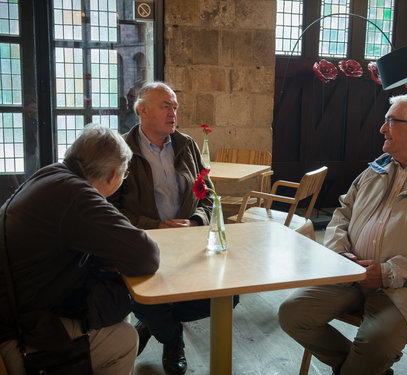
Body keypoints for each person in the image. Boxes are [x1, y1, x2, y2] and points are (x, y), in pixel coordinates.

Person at [278, 94, 407, 375]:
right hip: (351, 275)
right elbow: (343, 212)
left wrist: (388, 272)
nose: (382, 128)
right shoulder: (376, 169)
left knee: (376, 343)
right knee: (292, 313)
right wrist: (339, 254)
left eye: (390, 121)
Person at [0, 124, 160, 375]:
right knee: (124, 338)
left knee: (113, 309)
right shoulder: (76, 195)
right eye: (124, 175)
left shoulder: (52, 174)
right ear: (113, 175)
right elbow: (145, 255)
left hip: (19, 306)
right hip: (17, 333)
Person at [109, 81, 237, 375]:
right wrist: (155, 226)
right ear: (143, 110)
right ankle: (172, 339)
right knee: (143, 298)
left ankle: (156, 325)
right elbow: (111, 209)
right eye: (166, 106)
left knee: (229, 296)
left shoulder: (186, 144)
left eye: (175, 107)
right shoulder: (121, 150)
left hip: (188, 242)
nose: (173, 113)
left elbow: (209, 197)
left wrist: (195, 222)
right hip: (144, 244)